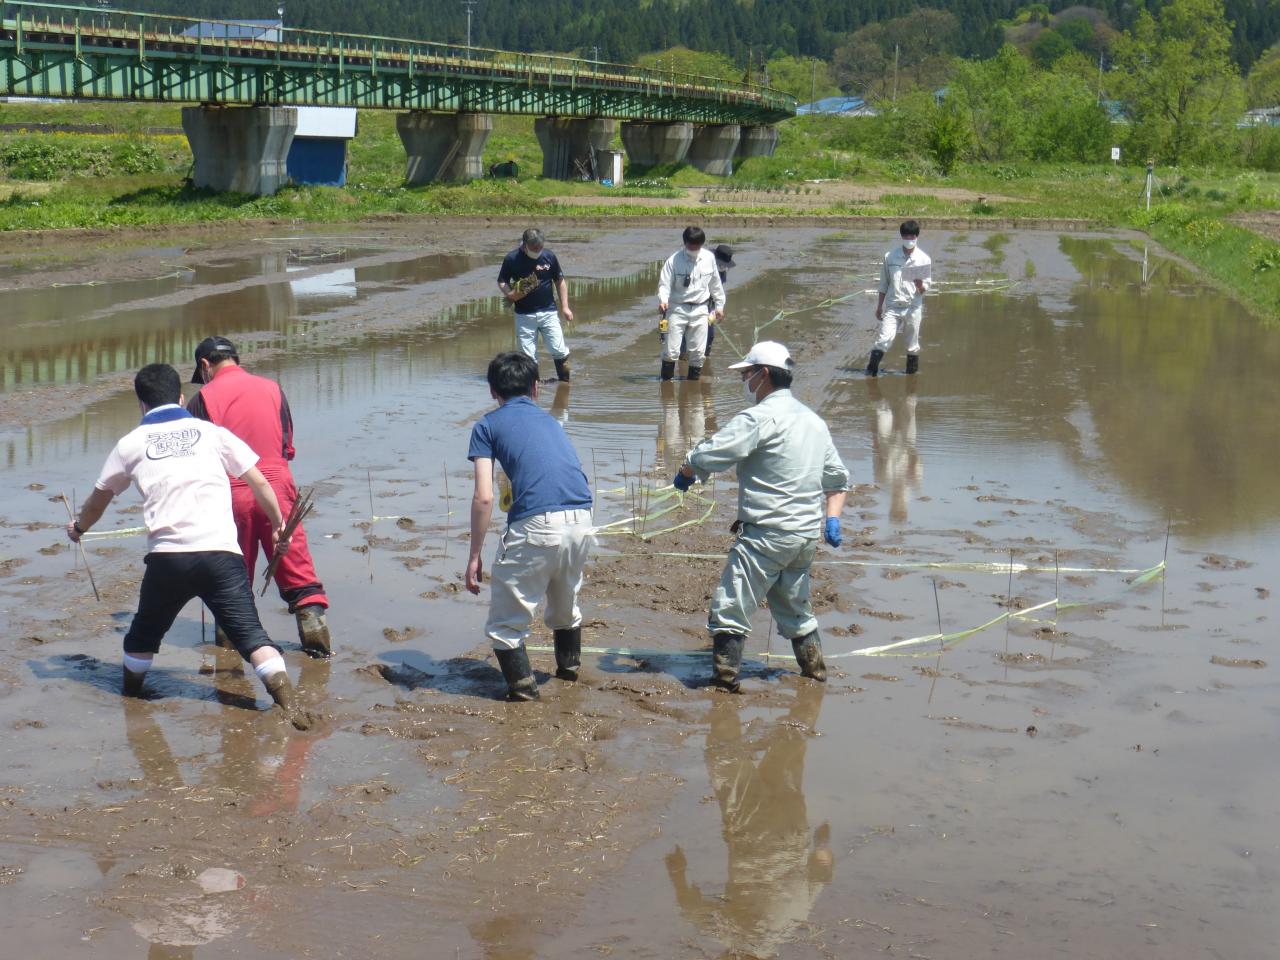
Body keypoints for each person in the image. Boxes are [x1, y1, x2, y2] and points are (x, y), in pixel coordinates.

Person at [65, 363, 308, 727]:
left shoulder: (129, 444)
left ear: (141, 405)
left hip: (168, 560)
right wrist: (278, 525)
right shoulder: (211, 433)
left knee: (143, 635)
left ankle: (132, 695)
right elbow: (258, 481)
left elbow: (99, 499)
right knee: (253, 637)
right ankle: (289, 703)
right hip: (221, 555)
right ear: (181, 397)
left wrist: (79, 527)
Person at [672, 341, 849, 691]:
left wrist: (688, 469)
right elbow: (838, 482)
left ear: (763, 375)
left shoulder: (759, 418)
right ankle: (815, 675)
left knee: (730, 606)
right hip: (802, 538)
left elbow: (717, 450)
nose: (745, 381)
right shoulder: (813, 422)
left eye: (747, 374)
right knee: (795, 608)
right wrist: (832, 520)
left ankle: (724, 682)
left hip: (766, 536)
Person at [187, 336, 332, 659]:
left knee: (231, 576)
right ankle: (317, 642)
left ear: (205, 365)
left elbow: (196, 458)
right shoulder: (273, 389)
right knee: (297, 568)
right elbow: (286, 446)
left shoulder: (202, 399)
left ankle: (229, 655)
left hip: (229, 491)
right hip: (278, 486)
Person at [465, 352, 594, 701]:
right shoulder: (552, 422)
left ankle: (524, 697)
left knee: (505, 627)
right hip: (582, 518)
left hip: (538, 523)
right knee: (565, 606)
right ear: (536, 389)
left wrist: (474, 555)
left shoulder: (486, 426)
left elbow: (484, 498)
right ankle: (568, 678)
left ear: (492, 391)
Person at [497, 227, 574, 382]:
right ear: (525, 245)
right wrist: (510, 294)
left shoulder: (549, 257)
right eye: (534, 248)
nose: (538, 250)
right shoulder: (512, 259)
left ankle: (565, 384)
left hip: (549, 312)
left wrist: (565, 307)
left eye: (540, 247)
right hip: (524, 315)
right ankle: (533, 387)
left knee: (559, 350)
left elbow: (560, 281)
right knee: (528, 357)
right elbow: (502, 280)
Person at [657, 226, 725, 382]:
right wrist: (663, 300)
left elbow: (715, 284)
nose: (694, 249)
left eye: (697, 246)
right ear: (685, 243)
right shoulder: (673, 261)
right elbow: (664, 284)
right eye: (691, 246)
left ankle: (693, 387)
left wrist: (719, 307)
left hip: (701, 308)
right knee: (671, 351)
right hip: (677, 308)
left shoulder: (709, 258)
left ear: (702, 244)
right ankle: (665, 384)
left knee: (698, 353)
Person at [868, 220, 932, 377]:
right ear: (902, 237)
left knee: (912, 345)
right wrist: (879, 306)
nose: (909, 239)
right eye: (906, 236)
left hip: (913, 307)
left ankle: (911, 378)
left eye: (912, 236)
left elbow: (925, 289)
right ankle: (870, 372)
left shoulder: (923, 259)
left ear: (917, 236)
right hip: (893, 306)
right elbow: (884, 283)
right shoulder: (890, 257)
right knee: (884, 340)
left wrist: (920, 285)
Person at [681, 243, 734, 361]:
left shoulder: (722, 270)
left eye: (725, 266)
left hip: (709, 304)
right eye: (721, 265)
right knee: (686, 332)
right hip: (691, 302)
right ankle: (682, 359)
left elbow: (717, 290)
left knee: (709, 335)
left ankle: (704, 358)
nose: (723, 268)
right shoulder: (701, 263)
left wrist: (715, 309)